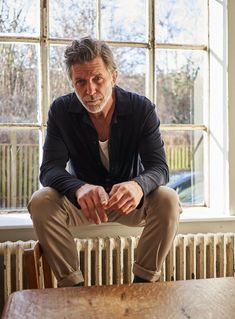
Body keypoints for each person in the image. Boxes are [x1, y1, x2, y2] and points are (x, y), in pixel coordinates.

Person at [28, 36, 181, 287]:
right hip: (84, 205)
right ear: (72, 82)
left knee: (168, 199)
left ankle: (142, 286)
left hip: (130, 204)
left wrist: (138, 185)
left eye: (98, 79)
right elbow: (49, 169)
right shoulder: (61, 111)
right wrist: (79, 188)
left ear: (113, 77)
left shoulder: (141, 109)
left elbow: (160, 168)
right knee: (40, 200)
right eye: (81, 82)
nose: (90, 90)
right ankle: (74, 288)